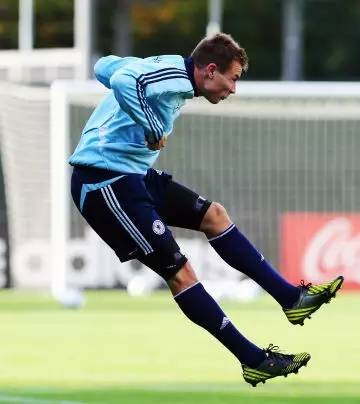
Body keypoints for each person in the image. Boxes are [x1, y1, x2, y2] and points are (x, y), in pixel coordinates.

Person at [68, 32, 344, 387]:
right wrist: (151, 124)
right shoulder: (173, 75)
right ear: (210, 70)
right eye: (233, 78)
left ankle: (292, 299)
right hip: (103, 181)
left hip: (133, 174)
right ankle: (254, 360)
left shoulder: (170, 75)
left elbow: (105, 66)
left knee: (215, 216)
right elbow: (121, 79)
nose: (234, 89)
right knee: (180, 273)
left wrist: (136, 76)